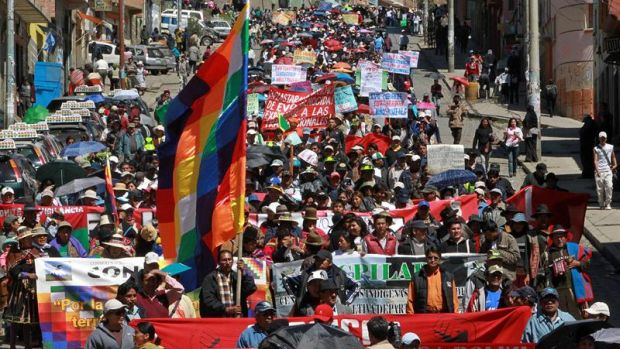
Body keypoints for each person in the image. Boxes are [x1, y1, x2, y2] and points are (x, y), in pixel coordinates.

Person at [540, 226, 592, 319]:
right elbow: (545, 274)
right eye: (557, 237)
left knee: (578, 316)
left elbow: (587, 263)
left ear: (566, 237)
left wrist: (578, 263)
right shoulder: (548, 254)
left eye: (562, 237)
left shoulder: (574, 248)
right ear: (552, 239)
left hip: (574, 290)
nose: (560, 239)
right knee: (561, 317)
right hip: (558, 291)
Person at [200, 250, 257, 317]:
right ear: (218, 262)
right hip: (218, 319)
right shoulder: (211, 278)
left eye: (229, 260)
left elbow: (251, 288)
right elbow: (208, 300)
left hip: (237, 319)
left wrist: (243, 273)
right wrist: (225, 309)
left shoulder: (237, 277)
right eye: (224, 260)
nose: (227, 263)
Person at [406, 246, 459, 314]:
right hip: (425, 316)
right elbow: (410, 300)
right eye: (430, 257)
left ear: (439, 259)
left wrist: (456, 315)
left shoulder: (448, 276)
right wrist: (410, 317)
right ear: (426, 259)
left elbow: (454, 300)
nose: (433, 260)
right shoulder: (417, 277)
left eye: (436, 258)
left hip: (444, 315)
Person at [593, 131, 616, 210]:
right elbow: (595, 160)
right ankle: (601, 203)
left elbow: (613, 157)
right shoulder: (596, 148)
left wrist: (615, 165)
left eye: (604, 138)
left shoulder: (610, 147)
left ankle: (608, 203)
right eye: (601, 138)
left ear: (606, 138)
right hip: (599, 171)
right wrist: (597, 170)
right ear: (599, 138)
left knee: (609, 187)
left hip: (608, 171)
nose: (602, 139)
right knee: (600, 189)